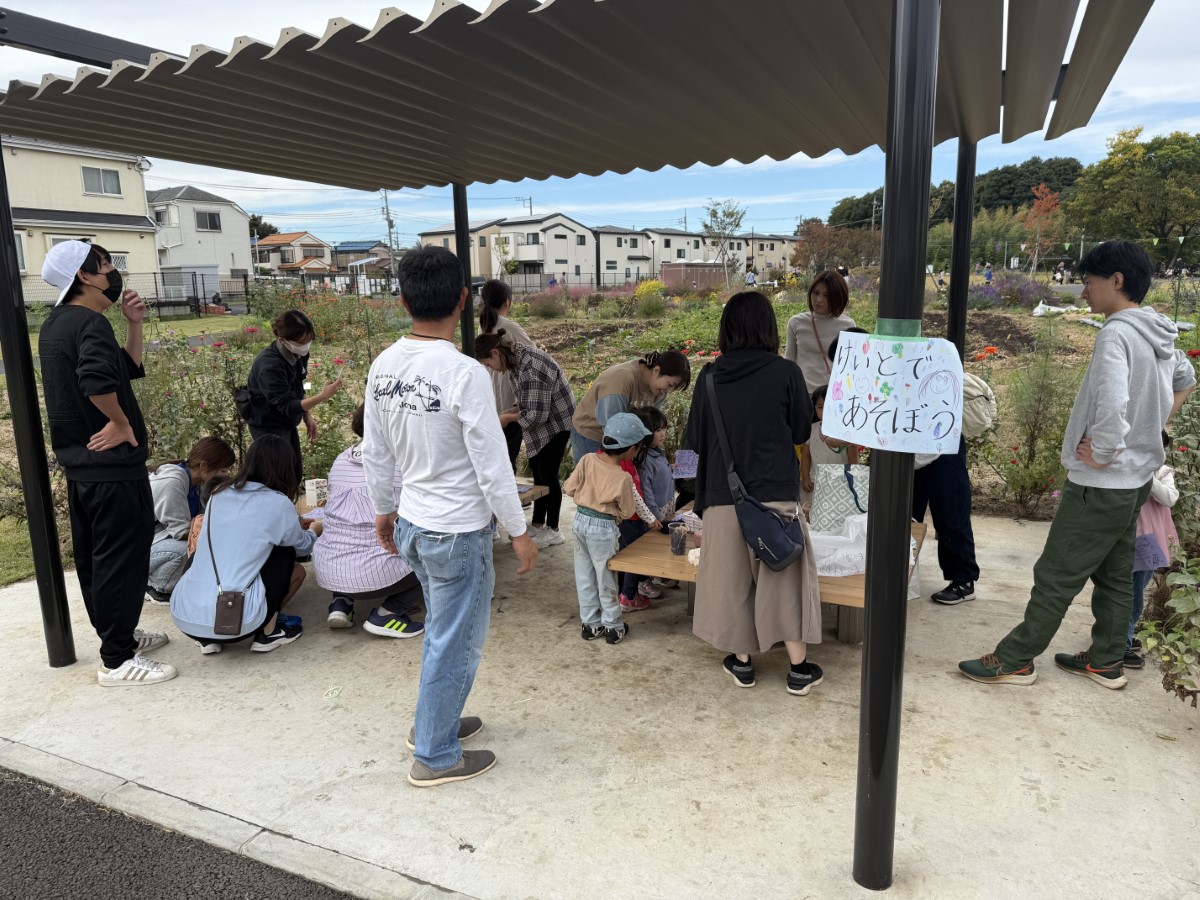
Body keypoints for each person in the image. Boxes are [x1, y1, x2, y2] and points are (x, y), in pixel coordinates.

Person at [960, 241, 1197, 690]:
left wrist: (1105, 450)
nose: (1083, 292)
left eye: (1088, 282)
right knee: (1115, 575)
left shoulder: (1117, 333)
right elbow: (1187, 379)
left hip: (1102, 482)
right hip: (1135, 482)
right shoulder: (1157, 330)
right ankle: (1107, 660)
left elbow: (1113, 401)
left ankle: (1015, 659)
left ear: (1116, 280)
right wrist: (1151, 429)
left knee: (1055, 574)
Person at [364, 246, 537, 788]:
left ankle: (431, 725)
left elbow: (376, 451)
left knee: (443, 633)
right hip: (456, 531)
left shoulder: (384, 366)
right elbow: (493, 464)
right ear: (463, 299)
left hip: (414, 525)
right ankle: (435, 755)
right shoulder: (464, 373)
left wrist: (384, 510)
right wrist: (519, 531)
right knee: (454, 641)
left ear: (402, 300)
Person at [38, 240, 174, 687]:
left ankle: (119, 635)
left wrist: (133, 324)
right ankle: (117, 659)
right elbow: (96, 381)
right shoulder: (89, 323)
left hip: (83, 468)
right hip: (113, 470)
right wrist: (119, 422)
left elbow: (123, 369)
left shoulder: (59, 323)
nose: (114, 272)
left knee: (98, 561)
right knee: (122, 561)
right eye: (106, 265)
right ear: (84, 276)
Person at [685, 291, 822, 695]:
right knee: (785, 582)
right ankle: (798, 670)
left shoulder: (709, 377)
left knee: (732, 584)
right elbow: (801, 430)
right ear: (768, 328)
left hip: (723, 498)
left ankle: (742, 663)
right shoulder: (787, 373)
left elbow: (692, 442)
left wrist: (686, 494)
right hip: (776, 496)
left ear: (727, 329)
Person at [172, 434, 318, 654]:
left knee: (203, 553)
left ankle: (207, 639)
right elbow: (302, 547)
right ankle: (268, 632)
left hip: (186, 618)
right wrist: (315, 531)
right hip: (239, 622)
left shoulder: (219, 494)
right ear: (286, 468)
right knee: (284, 552)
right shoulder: (278, 502)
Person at [315, 404, 426, 638]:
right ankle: (388, 613)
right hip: (377, 573)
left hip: (329, 569)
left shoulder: (341, 459)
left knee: (345, 535)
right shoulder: (403, 461)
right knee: (434, 551)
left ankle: (341, 603)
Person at [474, 330, 575, 548]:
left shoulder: (531, 367)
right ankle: (538, 524)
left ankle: (554, 530)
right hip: (542, 422)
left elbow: (537, 415)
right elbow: (525, 401)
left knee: (548, 475)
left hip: (557, 424)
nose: (491, 369)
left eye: (488, 364)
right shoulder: (515, 362)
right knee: (538, 473)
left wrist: (507, 418)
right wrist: (507, 413)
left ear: (495, 353)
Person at [563, 413, 651, 644]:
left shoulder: (587, 460)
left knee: (584, 575)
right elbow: (627, 511)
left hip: (580, 521)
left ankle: (591, 625)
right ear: (630, 449)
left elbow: (569, 488)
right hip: (603, 528)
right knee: (606, 578)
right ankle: (613, 627)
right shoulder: (623, 478)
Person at [242, 309, 343, 485]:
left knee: (294, 472)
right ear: (283, 340)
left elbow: (302, 383)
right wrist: (322, 396)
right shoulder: (269, 366)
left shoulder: (299, 353)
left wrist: (307, 415)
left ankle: (289, 499)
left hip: (286, 421)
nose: (306, 346)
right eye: (302, 342)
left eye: (309, 340)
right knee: (277, 476)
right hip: (267, 425)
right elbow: (288, 405)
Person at [147, 436, 236, 604]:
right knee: (189, 549)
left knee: (203, 544)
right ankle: (156, 585)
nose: (227, 475)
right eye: (223, 470)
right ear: (203, 466)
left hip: (159, 542)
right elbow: (182, 532)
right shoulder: (172, 482)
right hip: (141, 549)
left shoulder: (198, 483)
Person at [570, 350, 691, 462]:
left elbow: (651, 425)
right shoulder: (622, 379)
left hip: (624, 440)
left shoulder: (659, 390)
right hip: (593, 434)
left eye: (674, 388)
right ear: (656, 371)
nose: (669, 391)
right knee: (597, 476)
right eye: (670, 384)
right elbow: (613, 428)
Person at [1124, 431, 1181, 670]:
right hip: (1125, 538)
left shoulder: (1162, 473)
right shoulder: (1126, 466)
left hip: (1149, 542)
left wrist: (1147, 474)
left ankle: (1124, 637)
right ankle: (1121, 642)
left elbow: (1169, 498)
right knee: (1124, 590)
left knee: (1137, 590)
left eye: (1160, 447)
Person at [619, 406, 675, 611]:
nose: (662, 434)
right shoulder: (642, 460)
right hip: (649, 516)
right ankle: (629, 594)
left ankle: (642, 583)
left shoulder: (657, 453)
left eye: (664, 429)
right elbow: (646, 492)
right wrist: (655, 516)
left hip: (658, 513)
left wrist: (672, 469)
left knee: (643, 551)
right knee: (638, 554)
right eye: (657, 430)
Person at [479, 279, 535, 470]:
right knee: (508, 458)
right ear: (507, 301)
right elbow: (535, 356)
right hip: (510, 400)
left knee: (498, 456)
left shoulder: (484, 324)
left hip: (492, 399)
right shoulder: (508, 326)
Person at [783, 270, 855, 391]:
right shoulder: (795, 323)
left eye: (826, 296)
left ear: (837, 297)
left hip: (833, 393)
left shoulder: (848, 326)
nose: (819, 300)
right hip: (802, 393)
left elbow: (850, 367)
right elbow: (789, 363)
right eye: (816, 293)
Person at [800, 384, 860, 504]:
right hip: (815, 482)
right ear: (814, 408)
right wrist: (805, 477)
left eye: (830, 407)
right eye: (820, 407)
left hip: (840, 482)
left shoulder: (846, 432)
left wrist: (853, 480)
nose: (825, 411)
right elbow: (805, 456)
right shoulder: (811, 429)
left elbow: (853, 458)